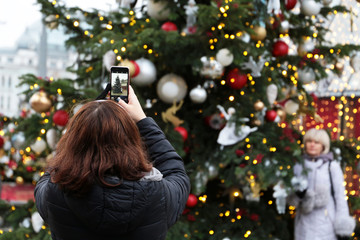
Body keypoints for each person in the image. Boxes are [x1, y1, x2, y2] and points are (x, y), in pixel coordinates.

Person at [34, 86, 191, 240]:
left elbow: (55, 168)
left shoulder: (54, 193)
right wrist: (142, 120)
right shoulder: (158, 195)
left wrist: (78, 129)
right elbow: (176, 172)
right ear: (132, 141)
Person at [289, 128, 355, 240]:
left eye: (317, 142)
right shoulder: (298, 165)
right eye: (309, 141)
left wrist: (342, 222)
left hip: (326, 222)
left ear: (323, 146)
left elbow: (340, 196)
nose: (312, 145)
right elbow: (289, 193)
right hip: (303, 223)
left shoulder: (331, 166)